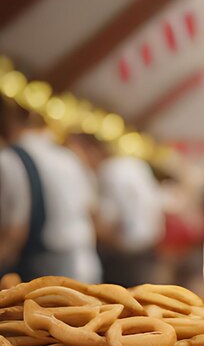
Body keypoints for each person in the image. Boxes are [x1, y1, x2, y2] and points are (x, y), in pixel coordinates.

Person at [0, 98, 101, 282]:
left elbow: (16, 230)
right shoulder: (67, 156)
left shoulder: (11, 159)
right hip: (87, 259)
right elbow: (92, 212)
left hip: (44, 267)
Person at [66, 133, 164, 287]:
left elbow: (112, 220)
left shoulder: (108, 172)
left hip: (124, 256)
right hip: (147, 248)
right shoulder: (132, 164)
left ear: (91, 150)